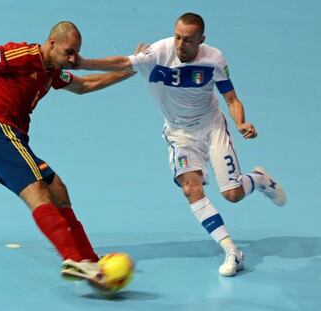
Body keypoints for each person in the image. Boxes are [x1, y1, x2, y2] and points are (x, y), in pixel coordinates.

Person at [0, 21, 134, 287]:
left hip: (6, 139)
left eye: (76, 53)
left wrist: (132, 71)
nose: (73, 58)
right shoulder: (23, 55)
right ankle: (72, 259)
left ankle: (88, 260)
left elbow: (85, 85)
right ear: (52, 43)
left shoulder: (53, 72)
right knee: (38, 191)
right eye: (69, 51)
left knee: (57, 188)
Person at [76, 12, 286, 277]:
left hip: (212, 128)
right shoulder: (158, 53)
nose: (180, 44)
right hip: (180, 134)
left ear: (201, 40)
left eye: (188, 39)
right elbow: (120, 63)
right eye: (177, 36)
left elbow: (232, 99)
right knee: (190, 188)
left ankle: (258, 179)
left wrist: (242, 123)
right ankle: (233, 251)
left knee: (232, 195)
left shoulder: (214, 59)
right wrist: (83, 63)